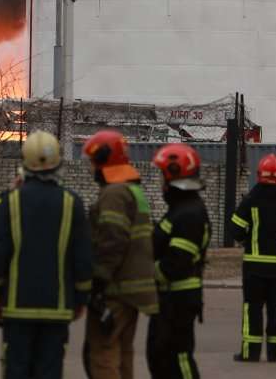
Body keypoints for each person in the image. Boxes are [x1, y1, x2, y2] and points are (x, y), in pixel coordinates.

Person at [0, 130, 93, 379]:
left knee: (16, 369)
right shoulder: (72, 203)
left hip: (16, 306)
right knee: (49, 370)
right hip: (57, 307)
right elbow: (83, 257)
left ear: (25, 161)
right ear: (58, 161)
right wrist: (81, 297)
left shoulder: (10, 202)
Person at [81, 130, 158, 379]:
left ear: (103, 158)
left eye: (94, 161)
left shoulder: (114, 194)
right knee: (123, 351)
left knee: (103, 352)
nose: (92, 167)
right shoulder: (133, 191)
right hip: (132, 289)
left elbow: (112, 240)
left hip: (116, 288)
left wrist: (98, 280)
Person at [146, 143, 211, 379]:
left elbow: (176, 263)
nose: (161, 181)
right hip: (169, 298)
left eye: (163, 174)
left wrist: (146, 274)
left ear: (174, 175)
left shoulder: (189, 213)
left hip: (179, 299)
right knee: (160, 355)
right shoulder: (179, 209)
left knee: (178, 357)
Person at [230, 153, 276, 363]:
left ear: (259, 175)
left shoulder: (251, 200)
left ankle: (250, 352)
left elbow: (235, 228)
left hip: (254, 266)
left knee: (252, 309)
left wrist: (248, 240)